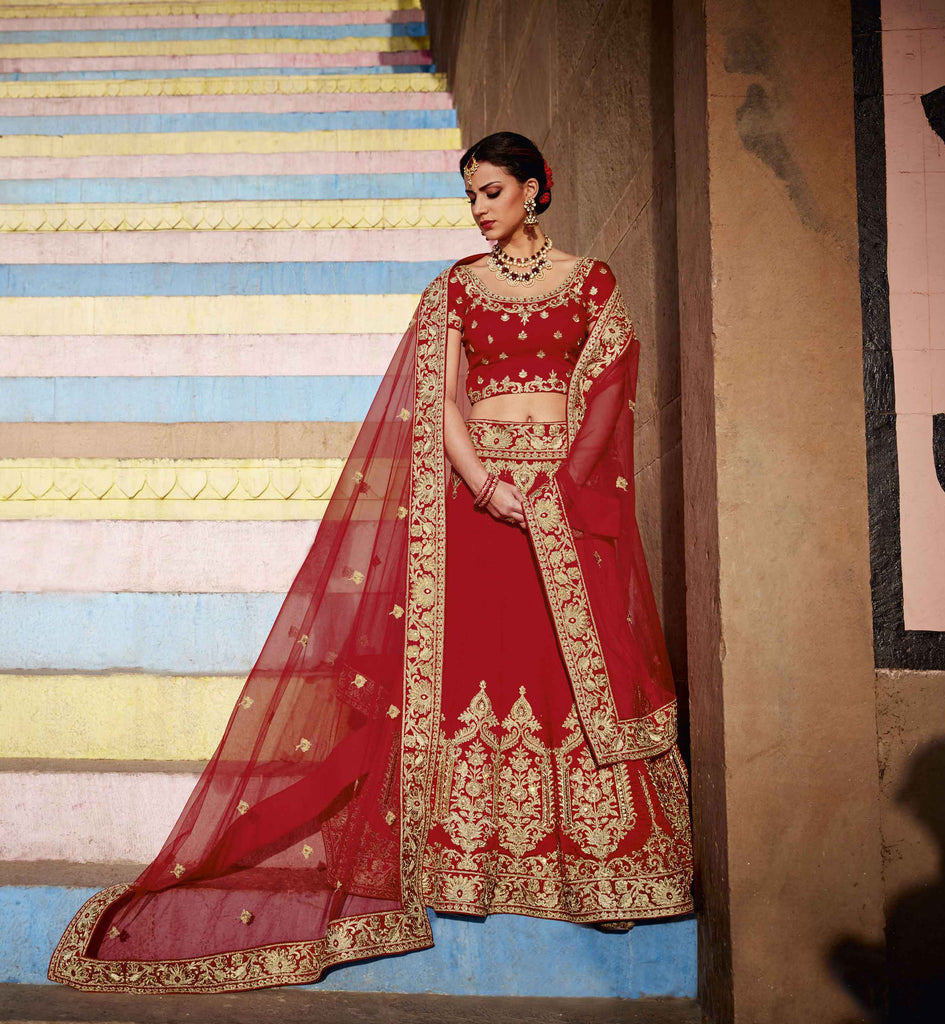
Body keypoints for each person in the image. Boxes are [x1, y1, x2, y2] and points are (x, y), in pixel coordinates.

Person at [48, 132, 693, 994]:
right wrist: (488, 486)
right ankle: (467, 865)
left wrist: (557, 492)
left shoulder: (593, 282)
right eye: (471, 195)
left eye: (492, 192)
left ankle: (597, 870)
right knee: (483, 667)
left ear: (535, 191)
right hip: (484, 505)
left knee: (568, 672)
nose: (478, 209)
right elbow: (443, 402)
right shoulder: (456, 289)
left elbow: (610, 386)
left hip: (565, 503)